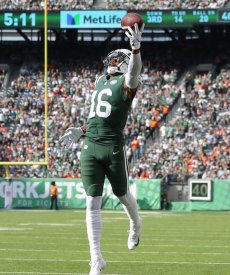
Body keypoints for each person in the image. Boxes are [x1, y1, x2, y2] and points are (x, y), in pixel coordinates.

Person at [60, 23, 144, 275]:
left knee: (122, 194)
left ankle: (135, 223)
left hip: (112, 146)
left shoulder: (128, 82)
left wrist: (136, 49)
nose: (113, 60)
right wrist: (81, 130)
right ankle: (96, 259)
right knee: (91, 203)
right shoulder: (99, 80)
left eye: (120, 58)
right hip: (90, 145)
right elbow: (97, 115)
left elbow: (133, 73)